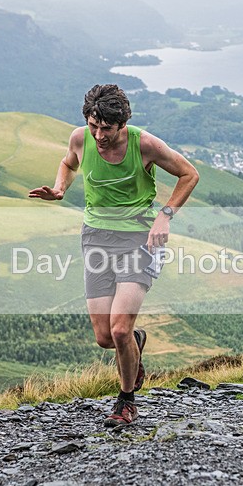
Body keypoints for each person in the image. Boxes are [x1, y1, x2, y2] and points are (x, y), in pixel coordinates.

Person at [29, 84, 199, 426]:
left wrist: (165, 215)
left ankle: (126, 403)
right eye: (94, 126)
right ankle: (135, 344)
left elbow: (189, 174)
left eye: (107, 129)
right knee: (105, 337)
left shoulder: (145, 144)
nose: (99, 135)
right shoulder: (81, 138)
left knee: (119, 329)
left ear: (122, 124)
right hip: (95, 239)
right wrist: (60, 188)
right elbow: (68, 163)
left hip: (139, 239)